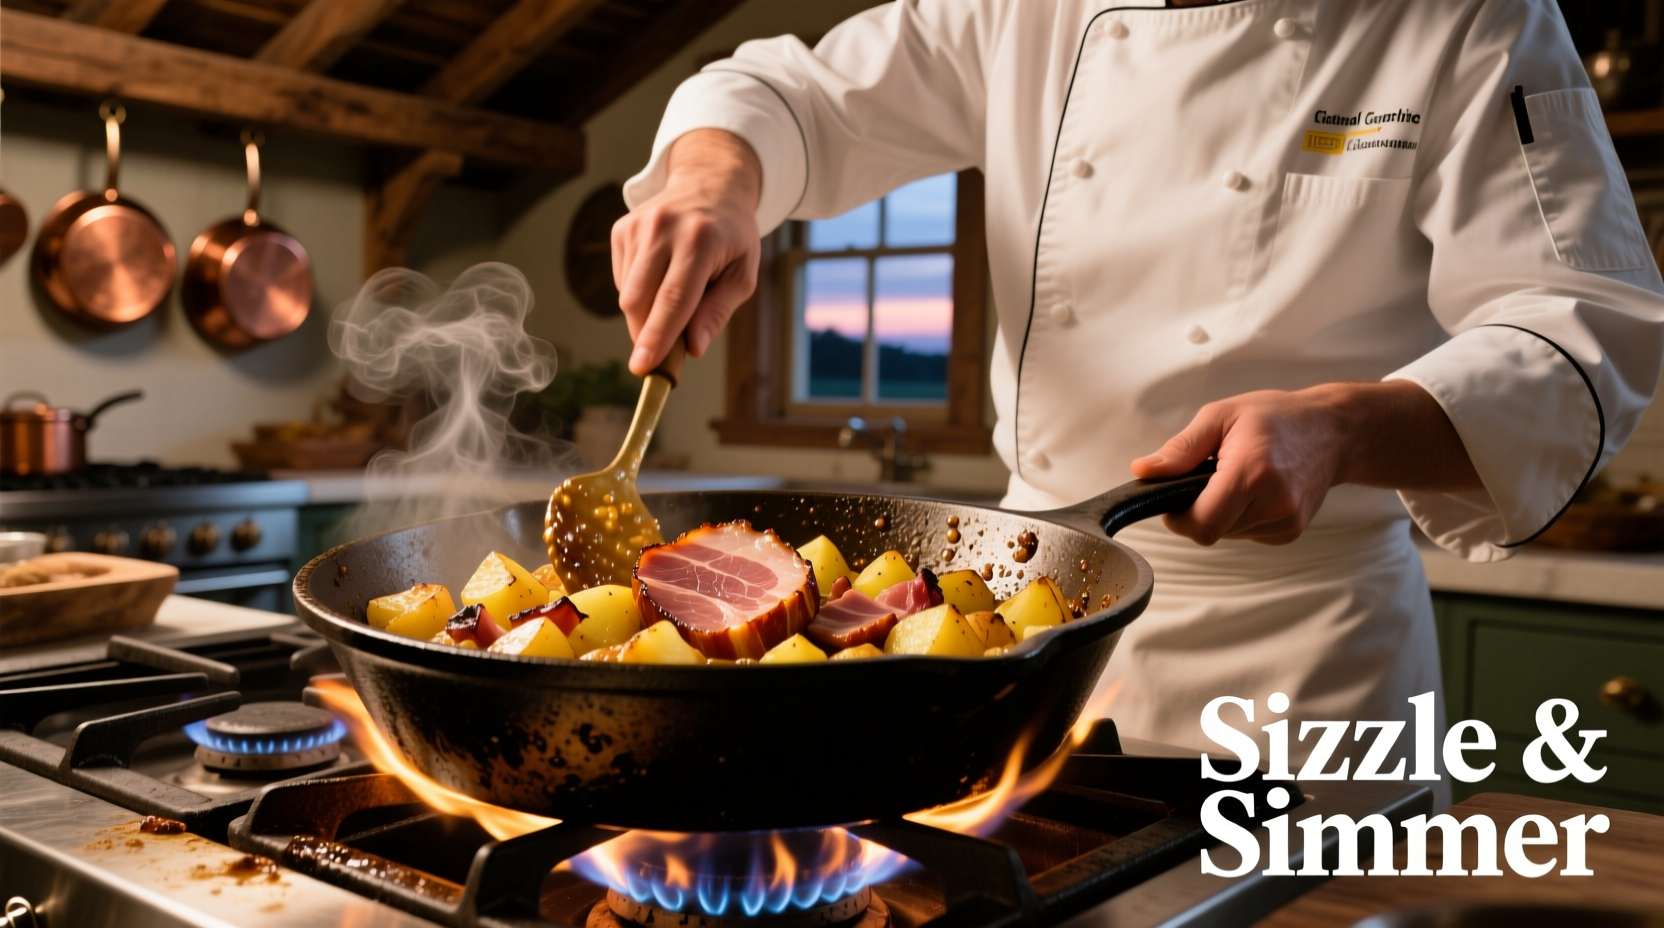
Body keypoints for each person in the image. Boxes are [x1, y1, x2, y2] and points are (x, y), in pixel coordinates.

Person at [611, 0, 1664, 795]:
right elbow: (789, 92)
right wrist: (712, 179)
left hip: (1305, 660)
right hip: (1022, 637)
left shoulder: (1470, 17)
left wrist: (1341, 429)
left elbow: (1585, 323)